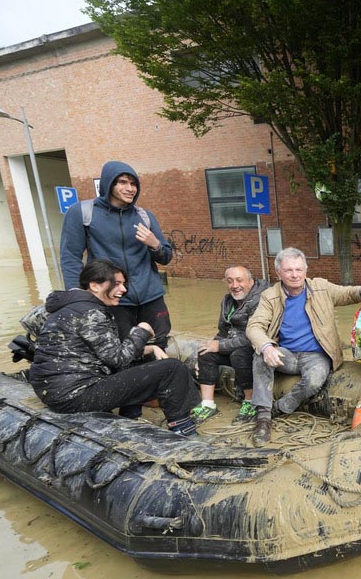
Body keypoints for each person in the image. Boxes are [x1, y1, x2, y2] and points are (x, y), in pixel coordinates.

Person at [29, 259, 200, 437]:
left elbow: (105, 352)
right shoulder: (91, 313)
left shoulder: (71, 307)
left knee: (139, 362)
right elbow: (118, 359)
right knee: (172, 368)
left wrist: (152, 349)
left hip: (55, 391)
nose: (124, 290)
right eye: (117, 284)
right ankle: (184, 430)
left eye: (124, 284)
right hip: (75, 395)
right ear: (95, 286)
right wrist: (142, 331)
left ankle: (130, 417)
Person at [60, 161, 174, 418]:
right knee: (121, 354)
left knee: (157, 346)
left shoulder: (144, 216)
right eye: (123, 182)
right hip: (113, 300)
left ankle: (150, 397)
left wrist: (155, 244)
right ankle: (128, 414)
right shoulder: (83, 213)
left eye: (133, 183)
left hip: (150, 296)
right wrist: (78, 298)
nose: (129, 188)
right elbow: (70, 258)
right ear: (109, 183)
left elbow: (166, 256)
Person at [246, 247, 361, 447]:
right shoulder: (269, 296)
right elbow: (254, 326)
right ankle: (263, 418)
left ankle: (280, 408)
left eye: (299, 269)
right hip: (287, 354)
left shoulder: (321, 287)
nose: (294, 274)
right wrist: (266, 347)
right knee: (259, 356)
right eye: (288, 270)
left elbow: (346, 294)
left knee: (315, 381)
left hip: (316, 354)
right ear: (279, 273)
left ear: (306, 270)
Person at [190, 266, 269, 424]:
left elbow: (254, 336)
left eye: (240, 280)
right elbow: (223, 331)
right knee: (206, 352)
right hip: (232, 343)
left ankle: (250, 402)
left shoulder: (261, 300)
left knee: (239, 355)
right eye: (230, 281)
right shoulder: (227, 300)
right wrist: (212, 345)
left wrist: (220, 346)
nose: (235, 285)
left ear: (251, 281)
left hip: (254, 348)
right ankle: (208, 404)